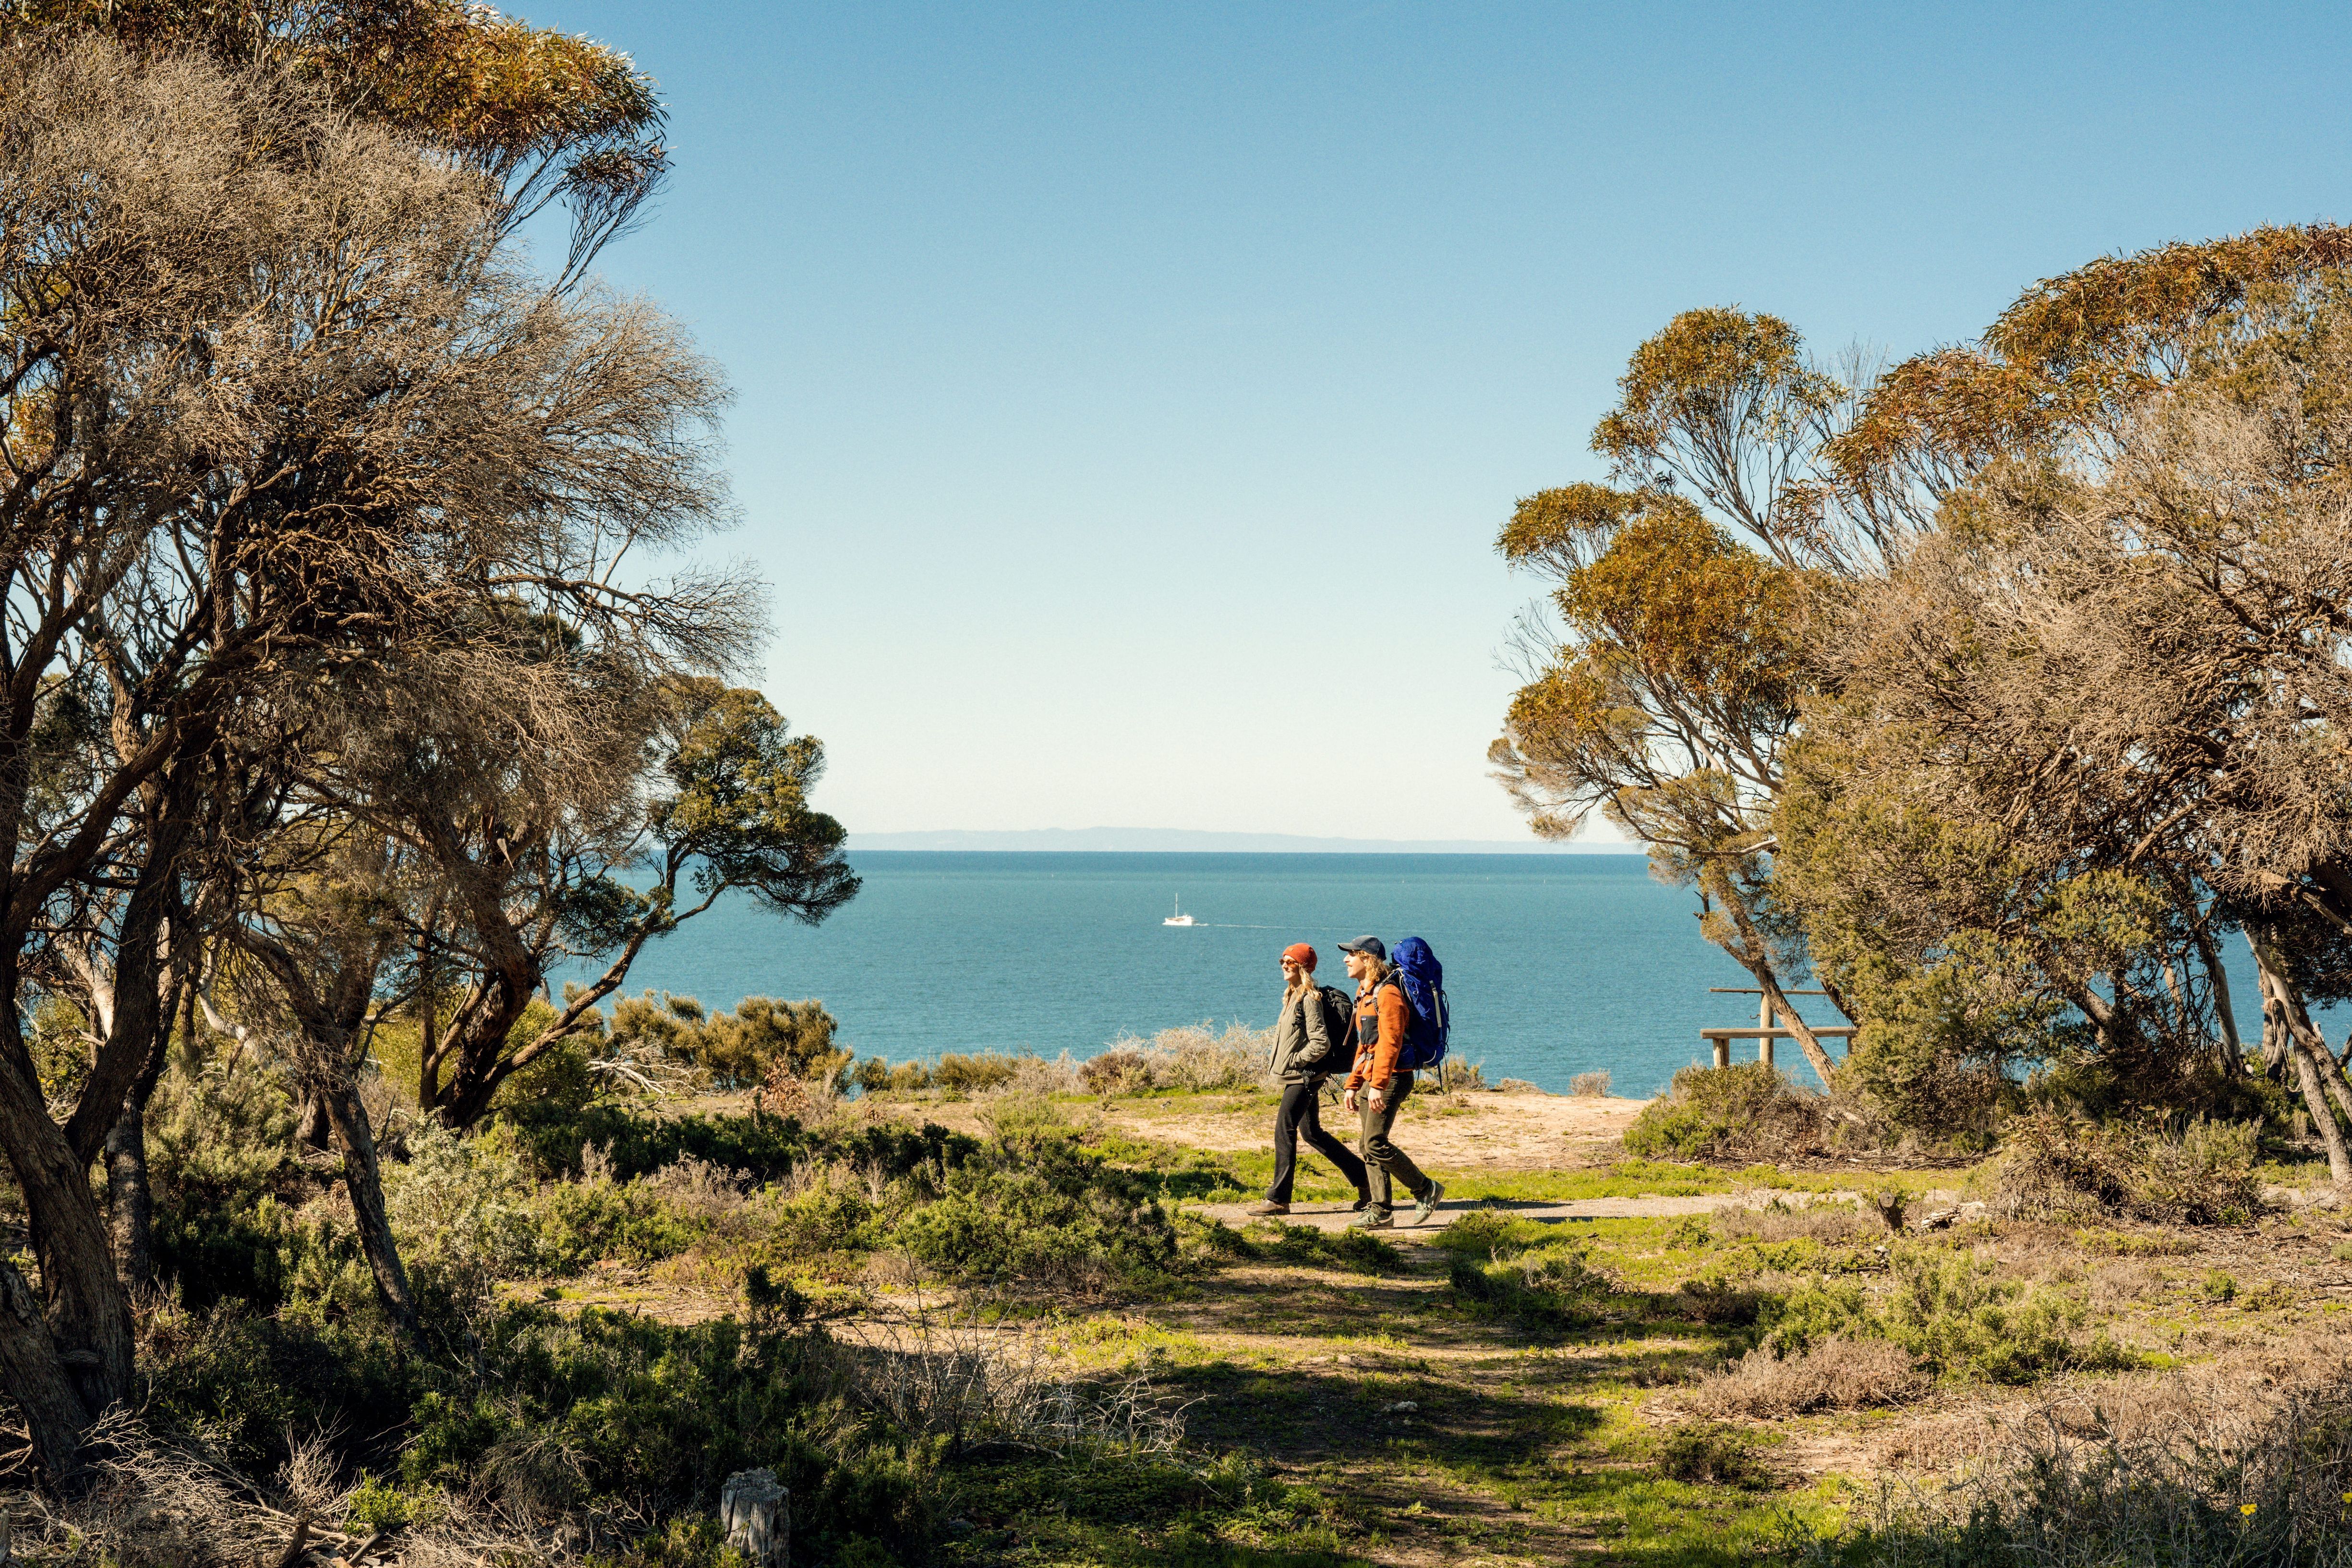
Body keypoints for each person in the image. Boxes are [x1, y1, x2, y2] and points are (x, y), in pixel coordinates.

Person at [1250, 943, 1369, 1217]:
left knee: (1284, 1129)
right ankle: (1365, 1180)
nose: (1284, 965)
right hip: (1301, 1075)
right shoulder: (1292, 995)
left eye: (1290, 962)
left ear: (1302, 967)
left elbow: (1321, 1043)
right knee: (1312, 1133)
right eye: (1282, 961)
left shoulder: (1309, 998)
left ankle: (1279, 1199)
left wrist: (1295, 1060)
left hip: (1304, 1076)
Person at [1338, 935, 1444, 1230]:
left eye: (1352, 954)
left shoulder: (1388, 994)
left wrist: (1379, 1085)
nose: (1346, 959)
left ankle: (1425, 1188)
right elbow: (1366, 1044)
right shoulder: (1365, 993)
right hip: (1372, 1078)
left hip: (1392, 1078)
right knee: (1367, 1145)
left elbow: (1391, 1042)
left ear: (1367, 959)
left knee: (1375, 1142)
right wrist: (1353, 1084)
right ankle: (1381, 1211)